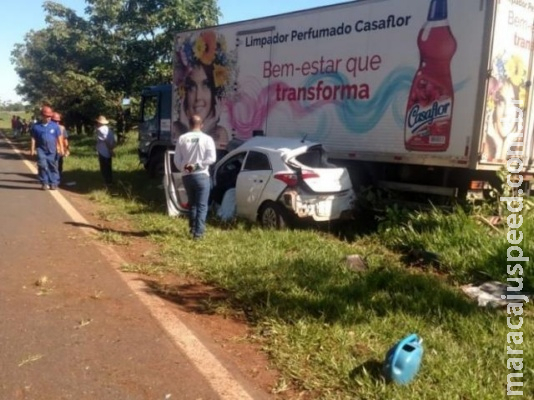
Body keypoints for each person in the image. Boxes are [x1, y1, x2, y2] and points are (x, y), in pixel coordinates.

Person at [174, 31, 234, 158]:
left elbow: (182, 163)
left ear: (214, 91)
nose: (198, 97)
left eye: (206, 85)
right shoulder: (176, 129)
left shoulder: (220, 133)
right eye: (191, 87)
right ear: (184, 92)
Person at [173, 114, 216, 240]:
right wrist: (197, 166)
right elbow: (211, 159)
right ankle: (198, 234)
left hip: (187, 177)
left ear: (189, 125)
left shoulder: (182, 138)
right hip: (202, 176)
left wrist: (186, 168)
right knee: (202, 205)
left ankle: (192, 228)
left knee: (192, 203)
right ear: (201, 125)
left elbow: (176, 160)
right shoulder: (207, 139)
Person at [30, 106, 64, 190]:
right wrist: (32, 149)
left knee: (52, 166)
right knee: (42, 165)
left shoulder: (54, 126)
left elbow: (59, 137)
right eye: (46, 116)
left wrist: (61, 148)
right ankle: (44, 182)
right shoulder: (36, 126)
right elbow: (33, 138)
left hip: (52, 150)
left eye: (49, 116)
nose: (48, 118)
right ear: (42, 115)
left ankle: (53, 183)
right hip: (41, 149)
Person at [95, 115, 116, 186]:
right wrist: (112, 148)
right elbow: (113, 140)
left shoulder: (100, 130)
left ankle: (107, 182)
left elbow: (105, 140)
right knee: (108, 167)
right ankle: (110, 181)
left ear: (99, 123)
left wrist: (110, 149)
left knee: (104, 168)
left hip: (103, 151)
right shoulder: (109, 130)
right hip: (108, 151)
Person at [51, 112, 70, 179]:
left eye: (58, 121)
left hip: (59, 150)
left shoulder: (62, 128)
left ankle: (58, 178)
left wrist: (67, 149)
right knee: (52, 165)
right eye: (55, 121)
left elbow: (65, 140)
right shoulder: (47, 128)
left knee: (59, 165)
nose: (57, 123)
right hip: (50, 150)